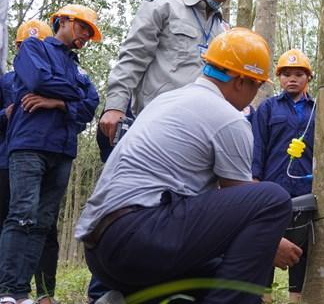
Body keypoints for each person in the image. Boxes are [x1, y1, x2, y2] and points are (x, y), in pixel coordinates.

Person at [76, 28, 300, 304]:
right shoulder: (229, 119)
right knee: (272, 199)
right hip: (139, 237)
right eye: (256, 85)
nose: (254, 95)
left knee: (220, 274)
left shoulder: (167, 100)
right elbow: (247, 211)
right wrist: (272, 242)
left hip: (100, 253)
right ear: (241, 81)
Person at [0, 5, 101, 304]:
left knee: (43, 223)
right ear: (64, 23)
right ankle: (8, 290)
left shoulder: (79, 68)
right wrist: (71, 95)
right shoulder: (34, 48)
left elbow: (90, 105)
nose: (86, 35)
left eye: (89, 32)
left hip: (63, 151)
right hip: (30, 145)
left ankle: (24, 293)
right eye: (82, 27)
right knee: (22, 215)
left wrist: (56, 103)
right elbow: (38, 81)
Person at [99, 0, 245, 142]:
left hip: (202, 133)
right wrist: (115, 106)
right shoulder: (162, 7)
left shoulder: (223, 30)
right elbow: (132, 59)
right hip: (157, 126)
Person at [251, 49, 314, 303]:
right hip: (272, 188)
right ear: (279, 78)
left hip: (306, 189)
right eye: (286, 74)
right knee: (267, 242)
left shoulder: (317, 109)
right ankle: (264, 297)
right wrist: (255, 182)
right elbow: (258, 147)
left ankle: (295, 298)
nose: (292, 79)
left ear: (308, 77)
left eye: (298, 74)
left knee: (302, 246)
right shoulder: (267, 109)